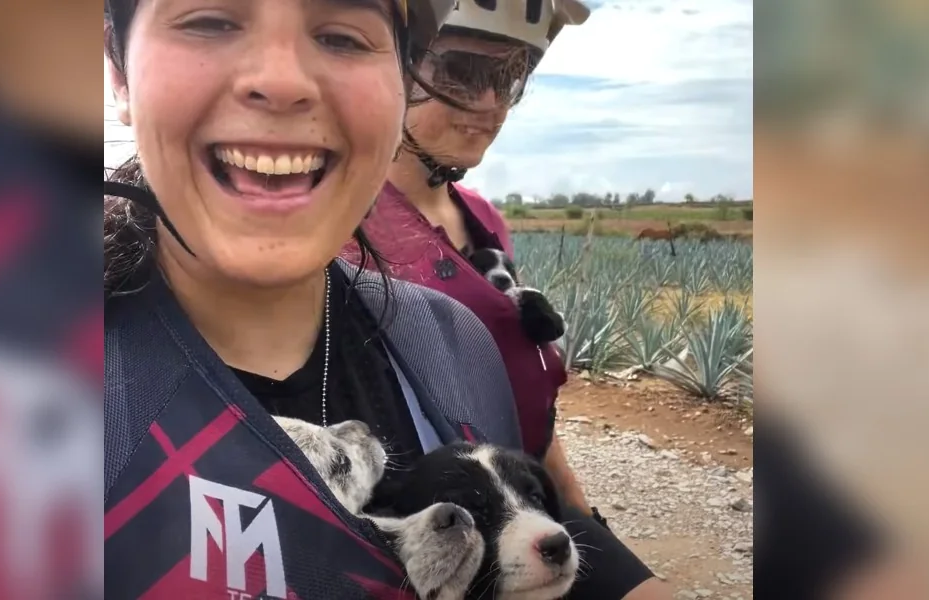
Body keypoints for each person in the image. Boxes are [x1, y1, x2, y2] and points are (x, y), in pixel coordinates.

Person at [103, 0, 656, 597]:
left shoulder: (451, 344)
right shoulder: (16, 410)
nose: (281, 82)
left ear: (401, 83)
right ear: (118, 71)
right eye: (208, 20)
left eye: (342, 36)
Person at [341, 1, 673, 597]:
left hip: (527, 507)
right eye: (460, 74)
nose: (489, 104)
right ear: (396, 76)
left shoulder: (485, 221)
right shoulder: (343, 229)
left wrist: (575, 507)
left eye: (507, 79)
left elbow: (525, 406)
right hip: (440, 542)